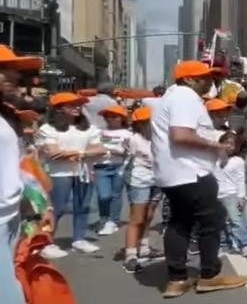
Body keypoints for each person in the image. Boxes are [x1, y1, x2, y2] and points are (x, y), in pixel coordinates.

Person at [152, 60, 247, 299]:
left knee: (179, 223)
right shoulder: (185, 96)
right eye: (204, 77)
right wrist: (214, 145)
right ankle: (209, 275)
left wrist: (215, 137)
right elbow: (181, 135)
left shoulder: (173, 97)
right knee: (211, 220)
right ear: (189, 79)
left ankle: (177, 279)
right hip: (191, 172)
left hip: (173, 173)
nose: (210, 81)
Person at [0, 47, 42, 304]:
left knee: (11, 302)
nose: (15, 78)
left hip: (9, 221)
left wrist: (31, 208)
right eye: (5, 71)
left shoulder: (5, 118)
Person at [36, 93, 107, 257]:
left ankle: (79, 239)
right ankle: (45, 242)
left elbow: (101, 149)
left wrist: (79, 153)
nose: (77, 108)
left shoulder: (89, 128)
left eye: (78, 105)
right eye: (72, 105)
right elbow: (53, 153)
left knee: (82, 206)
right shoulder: (48, 129)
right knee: (56, 209)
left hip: (84, 172)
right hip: (58, 173)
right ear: (59, 109)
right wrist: (86, 153)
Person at [121, 106, 164, 274]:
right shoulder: (135, 139)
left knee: (149, 216)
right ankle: (130, 256)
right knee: (137, 218)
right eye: (150, 122)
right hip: (138, 180)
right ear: (140, 124)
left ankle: (145, 248)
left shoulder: (160, 138)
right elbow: (125, 159)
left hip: (157, 179)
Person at [92, 105, 132, 237]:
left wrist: (108, 150)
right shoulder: (99, 132)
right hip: (101, 167)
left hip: (119, 167)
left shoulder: (128, 134)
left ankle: (113, 221)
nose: (110, 119)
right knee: (103, 196)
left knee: (116, 195)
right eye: (107, 117)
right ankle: (104, 218)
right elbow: (94, 149)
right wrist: (111, 150)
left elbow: (127, 152)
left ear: (122, 118)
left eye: (114, 116)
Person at [215, 131, 247, 255]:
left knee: (235, 220)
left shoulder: (238, 161)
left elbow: (240, 180)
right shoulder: (213, 159)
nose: (228, 146)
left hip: (231, 194)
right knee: (219, 222)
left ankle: (245, 244)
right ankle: (223, 244)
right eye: (226, 143)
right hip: (216, 195)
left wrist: (242, 196)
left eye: (232, 144)